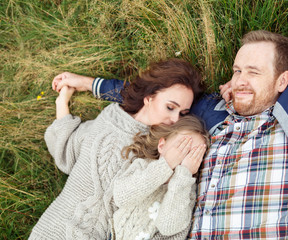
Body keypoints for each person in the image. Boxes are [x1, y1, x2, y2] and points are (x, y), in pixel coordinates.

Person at [53, 25, 288, 239]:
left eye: (254, 72)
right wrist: (89, 83)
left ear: (283, 79)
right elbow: (155, 100)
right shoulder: (210, 114)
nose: (239, 80)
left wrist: (270, 67)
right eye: (236, 71)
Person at [29, 59, 205, 240]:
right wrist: (62, 102)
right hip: (53, 227)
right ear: (149, 97)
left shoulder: (162, 149)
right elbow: (68, 150)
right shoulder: (110, 117)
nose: (175, 119)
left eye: (183, 113)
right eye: (170, 107)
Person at [111, 115, 209, 240]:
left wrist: (184, 174)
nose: (184, 157)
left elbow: (168, 227)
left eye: (194, 155)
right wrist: (166, 164)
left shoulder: (186, 189)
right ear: (162, 146)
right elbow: (121, 197)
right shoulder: (143, 165)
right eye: (181, 147)